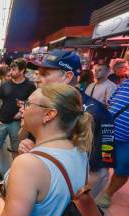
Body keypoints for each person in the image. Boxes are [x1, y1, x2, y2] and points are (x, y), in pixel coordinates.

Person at [19, 49, 115, 198]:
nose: (37, 79)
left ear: (67, 77)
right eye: (38, 73)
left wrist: (68, 202)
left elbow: (100, 173)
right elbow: (31, 141)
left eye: (45, 74)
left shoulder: (97, 113)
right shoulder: (41, 104)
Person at [0, 83, 93, 216]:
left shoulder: (29, 164)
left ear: (49, 114)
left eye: (28, 104)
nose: (22, 109)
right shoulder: (80, 151)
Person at [0, 58, 36, 170]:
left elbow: (32, 103)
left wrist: (22, 113)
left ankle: (15, 167)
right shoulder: (5, 84)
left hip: (17, 123)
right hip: (2, 120)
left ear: (22, 70)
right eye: (10, 69)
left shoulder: (30, 86)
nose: (10, 72)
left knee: (16, 147)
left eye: (14, 70)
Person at [97, 78, 129, 208]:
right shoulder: (126, 83)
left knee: (122, 169)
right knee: (100, 161)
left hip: (127, 141)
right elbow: (111, 102)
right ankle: (94, 185)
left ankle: (108, 194)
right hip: (108, 132)